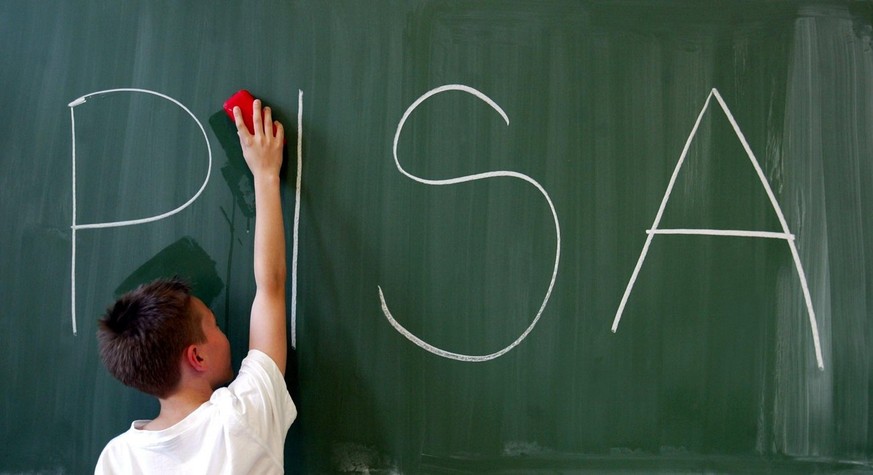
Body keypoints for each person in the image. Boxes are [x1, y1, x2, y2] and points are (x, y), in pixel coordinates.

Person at [95, 99, 296, 474]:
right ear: (197, 357)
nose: (223, 330)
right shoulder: (240, 420)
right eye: (214, 325)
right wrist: (265, 175)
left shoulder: (116, 459)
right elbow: (270, 286)